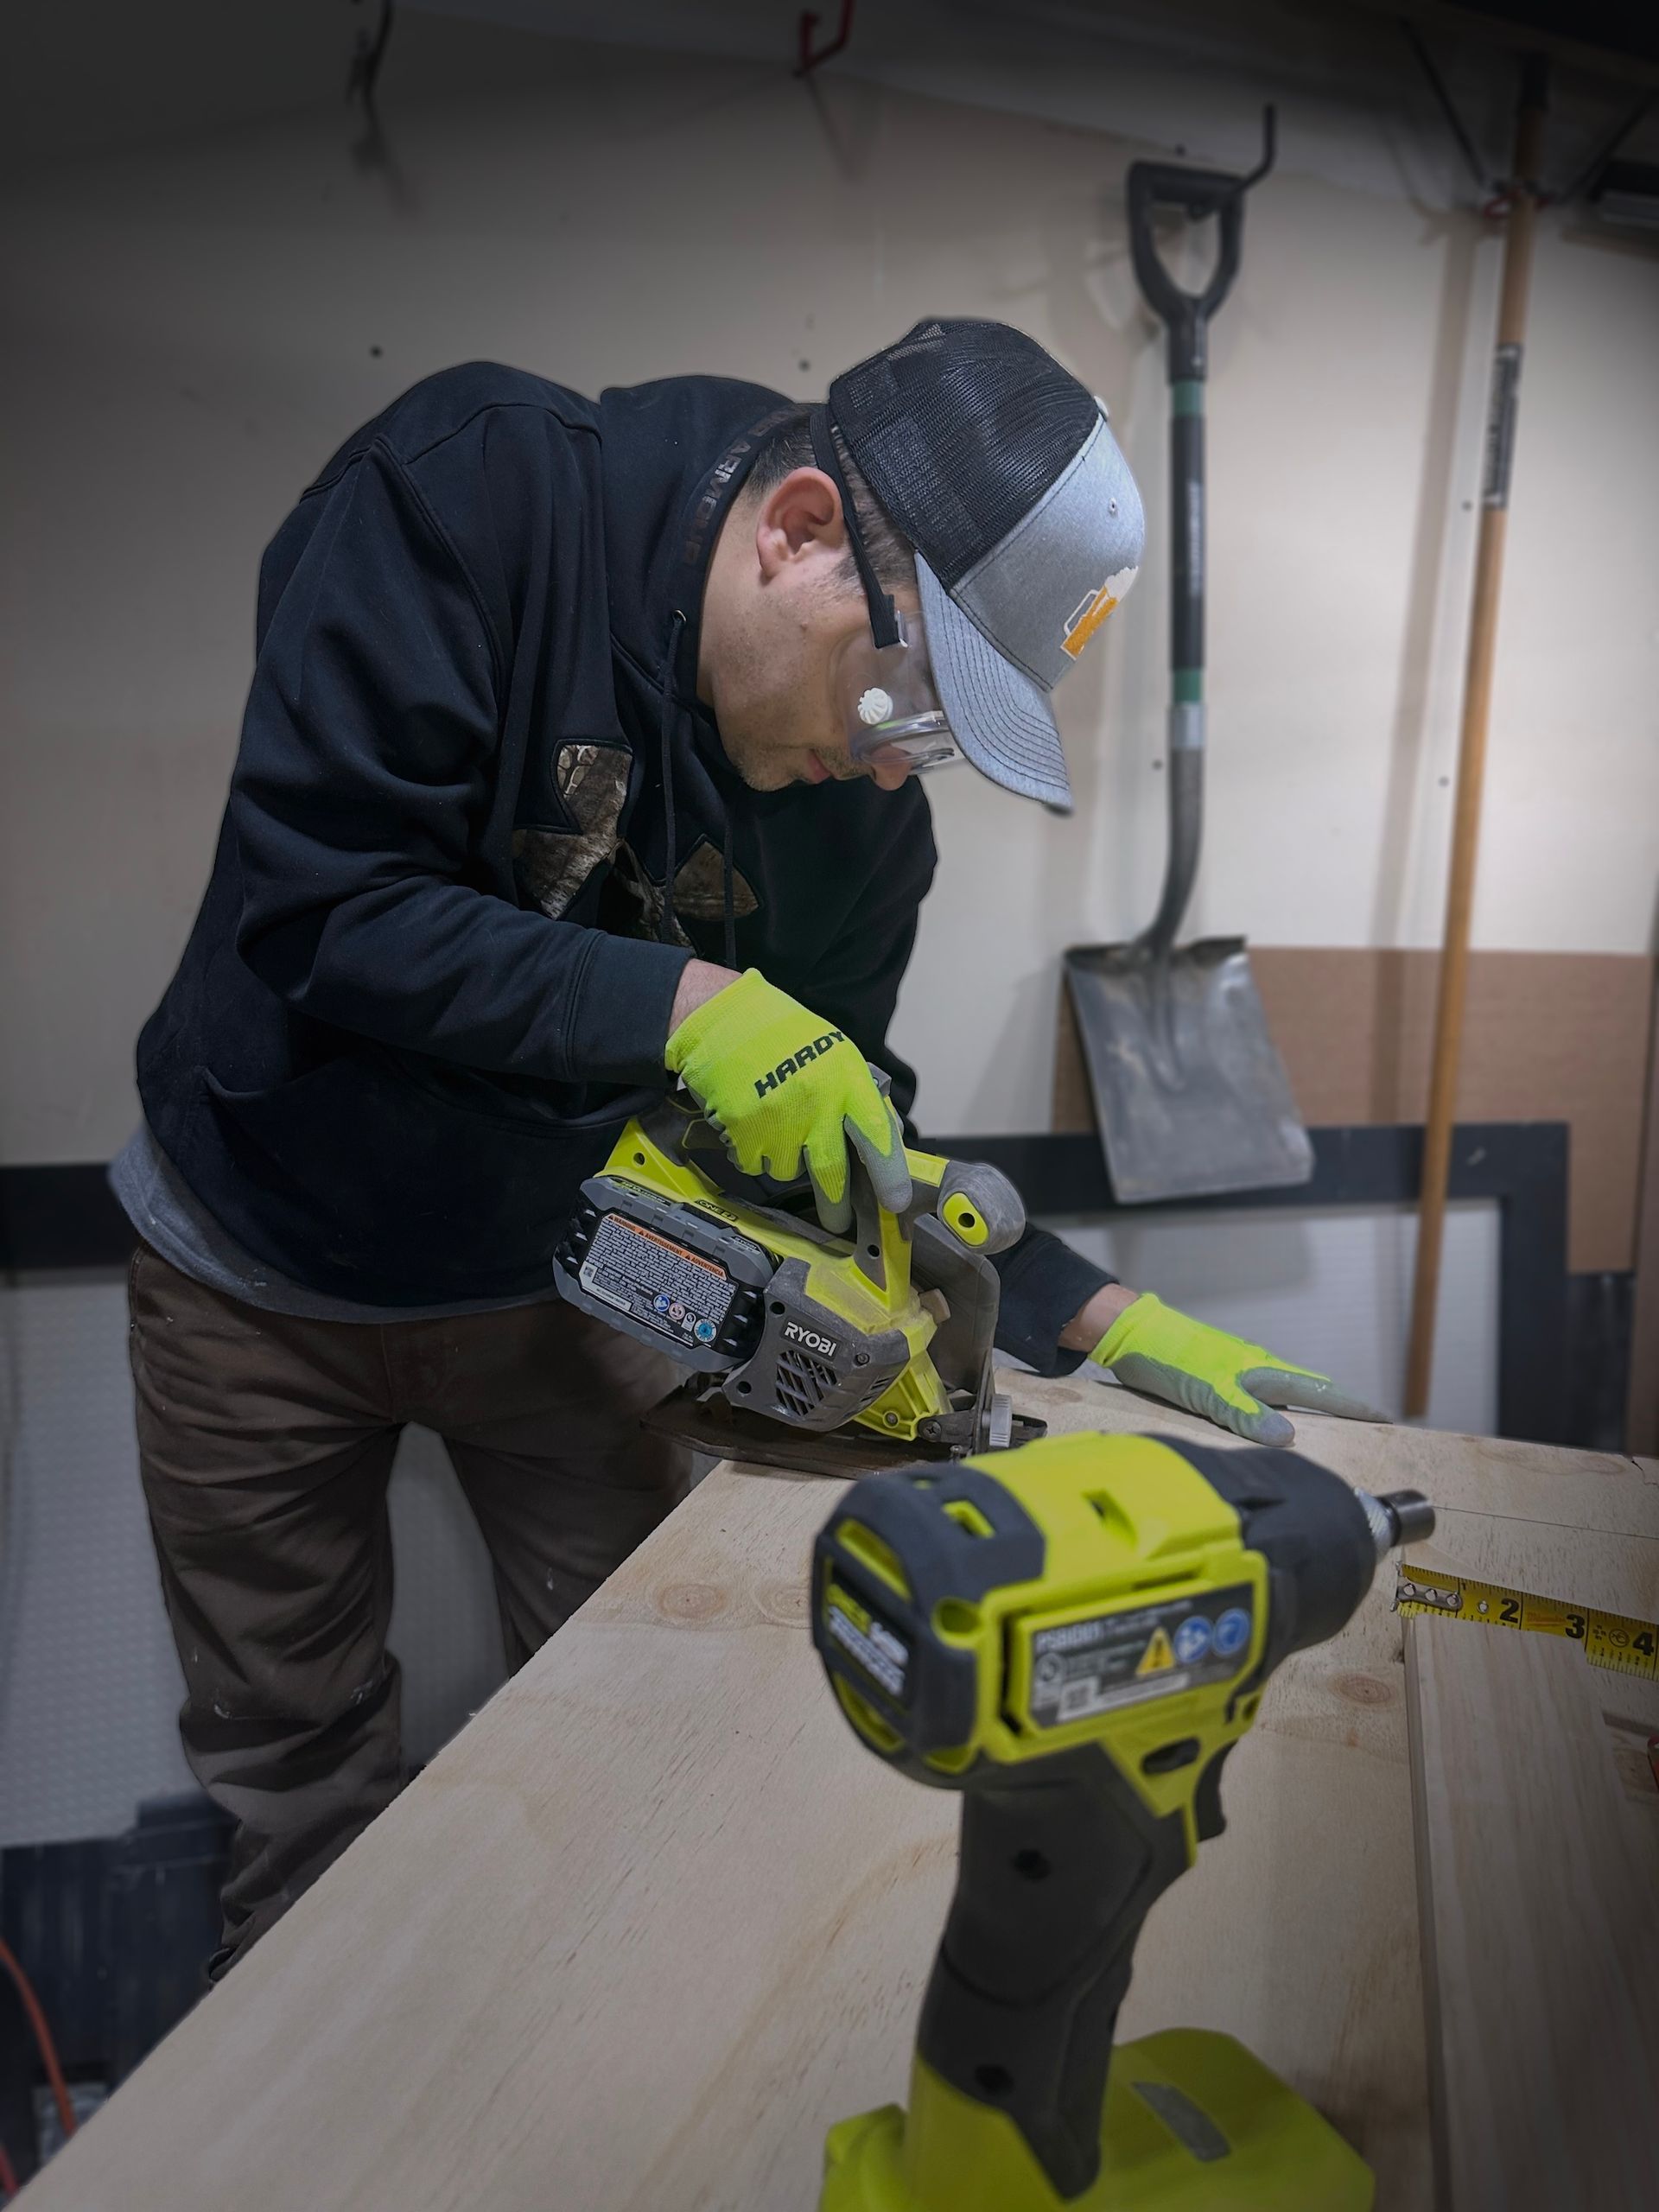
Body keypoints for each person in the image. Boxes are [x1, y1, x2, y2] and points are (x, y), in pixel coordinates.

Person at [114, 318, 1380, 1974]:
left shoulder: (864, 828)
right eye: (907, 691)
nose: (884, 757)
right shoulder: (475, 499)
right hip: (255, 1262)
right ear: (796, 532)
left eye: (930, 740)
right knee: (294, 1773)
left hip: (562, 1278)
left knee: (642, 1695)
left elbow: (846, 1135)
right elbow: (323, 912)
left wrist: (1087, 1310)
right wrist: (688, 1005)